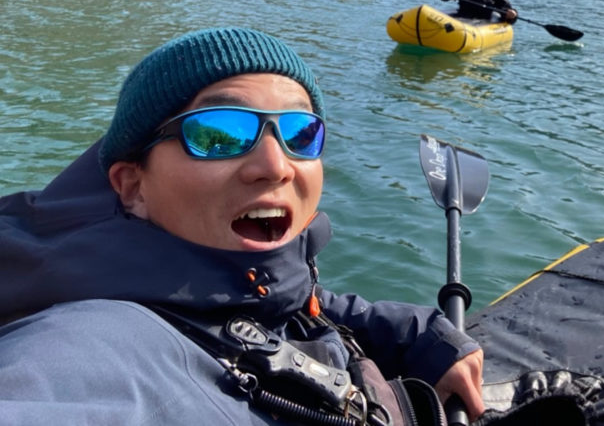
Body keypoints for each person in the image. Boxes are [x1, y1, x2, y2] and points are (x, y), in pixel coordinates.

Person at [0, 27, 484, 425]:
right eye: (219, 134)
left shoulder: (250, 281)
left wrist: (419, 333)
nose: (276, 165)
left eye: (300, 132)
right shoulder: (92, 346)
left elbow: (295, 306)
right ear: (132, 187)